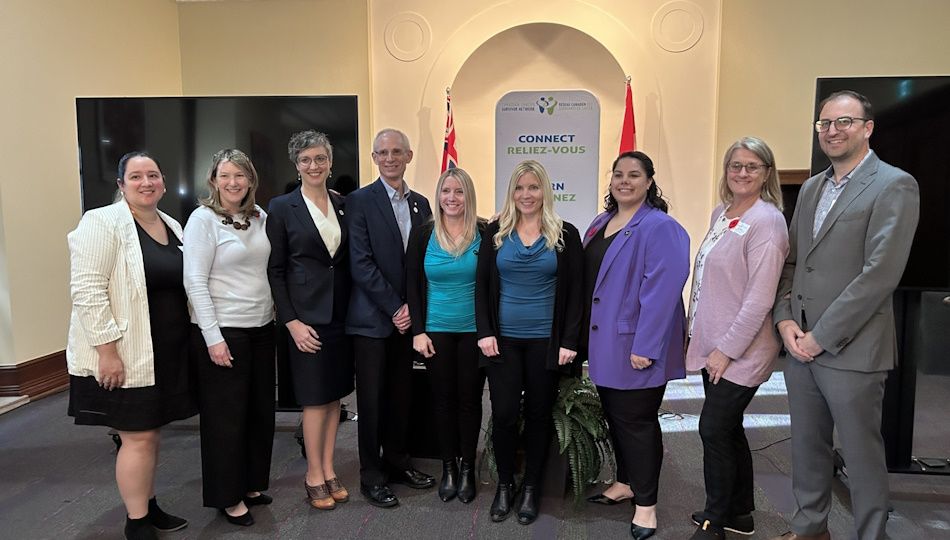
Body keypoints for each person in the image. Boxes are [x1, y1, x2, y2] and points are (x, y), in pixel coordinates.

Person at [771, 91, 919, 540]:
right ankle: (811, 526)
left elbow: (880, 275)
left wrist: (822, 336)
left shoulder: (894, 184)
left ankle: (871, 534)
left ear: (867, 127)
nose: (832, 131)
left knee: (861, 454)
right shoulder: (814, 186)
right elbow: (793, 262)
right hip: (800, 346)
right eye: (824, 124)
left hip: (853, 349)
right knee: (807, 447)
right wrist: (785, 321)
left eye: (844, 122)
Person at [67, 151, 196, 540]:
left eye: (153, 175)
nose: (146, 182)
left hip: (164, 353)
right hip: (125, 351)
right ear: (121, 184)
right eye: (136, 176)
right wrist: (107, 351)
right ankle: (136, 522)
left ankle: (148, 505)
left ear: (163, 182)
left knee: (149, 433)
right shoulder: (102, 222)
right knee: (137, 436)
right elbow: (87, 291)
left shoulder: (171, 224)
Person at [684, 138, 789, 540]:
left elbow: (760, 298)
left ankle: (715, 519)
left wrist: (726, 352)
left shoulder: (768, 221)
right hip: (716, 343)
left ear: (767, 173)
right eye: (735, 166)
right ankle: (741, 511)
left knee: (712, 429)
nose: (742, 173)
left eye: (752, 166)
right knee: (727, 428)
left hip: (743, 349)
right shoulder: (722, 212)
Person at [582, 151, 689, 540]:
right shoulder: (601, 223)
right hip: (604, 342)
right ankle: (626, 483)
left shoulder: (660, 227)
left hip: (636, 345)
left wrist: (646, 345)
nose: (624, 181)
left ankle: (646, 506)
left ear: (649, 182)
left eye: (634, 175)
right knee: (616, 416)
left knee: (637, 423)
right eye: (618, 174)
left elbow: (661, 293)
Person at [475, 159, 583, 525]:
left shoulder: (565, 233)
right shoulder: (495, 234)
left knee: (538, 416)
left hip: (546, 344)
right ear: (512, 193)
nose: (526, 194)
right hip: (501, 342)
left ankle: (532, 488)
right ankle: (506, 485)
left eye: (533, 187)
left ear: (545, 191)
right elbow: (481, 289)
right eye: (520, 188)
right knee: (504, 415)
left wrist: (570, 340)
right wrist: (485, 332)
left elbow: (577, 294)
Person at [183, 149, 275, 526]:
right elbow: (194, 281)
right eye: (225, 176)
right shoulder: (202, 220)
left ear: (251, 180)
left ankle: (252, 484)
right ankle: (227, 495)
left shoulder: (258, 216)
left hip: (262, 326)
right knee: (226, 419)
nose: (233, 182)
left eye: (240, 175)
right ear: (213, 181)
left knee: (258, 413)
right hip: (225, 331)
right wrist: (212, 337)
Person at [346, 128, 434, 508]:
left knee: (402, 397)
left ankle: (398, 462)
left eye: (397, 151)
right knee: (372, 401)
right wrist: (395, 308)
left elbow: (427, 260)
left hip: (408, 322)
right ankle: (372, 474)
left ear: (409, 156)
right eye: (383, 152)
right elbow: (360, 263)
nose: (390, 158)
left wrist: (412, 310)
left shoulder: (422, 204)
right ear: (374, 158)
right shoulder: (359, 201)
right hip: (373, 321)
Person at [266, 130, 354, 511]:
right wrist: (291, 322)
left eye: (320, 158)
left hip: (341, 316)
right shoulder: (282, 206)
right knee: (315, 401)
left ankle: (330, 467)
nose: (314, 166)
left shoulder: (343, 203)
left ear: (330, 162)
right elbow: (276, 270)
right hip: (306, 320)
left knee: (334, 398)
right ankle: (312, 473)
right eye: (306, 160)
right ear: (296, 165)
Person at [406, 167, 484, 504]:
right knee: (443, 401)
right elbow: (411, 284)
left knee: (470, 402)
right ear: (438, 196)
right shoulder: (423, 234)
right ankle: (448, 467)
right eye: (446, 191)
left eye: (459, 192)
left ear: (468, 196)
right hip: (435, 331)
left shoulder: (485, 232)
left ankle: (468, 468)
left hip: (473, 333)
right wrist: (418, 331)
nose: (451, 198)